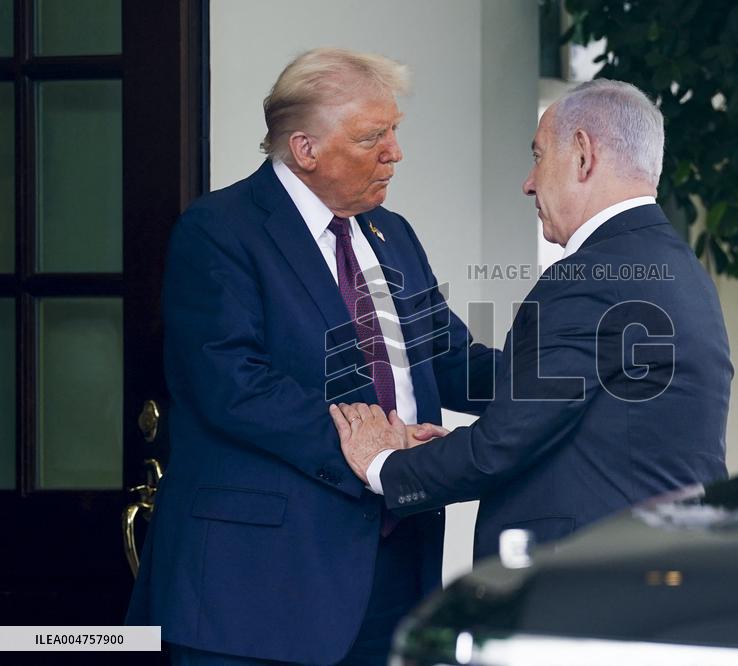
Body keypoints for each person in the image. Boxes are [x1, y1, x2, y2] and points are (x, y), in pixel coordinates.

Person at [126, 48, 498, 665]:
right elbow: (234, 386)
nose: (394, 152)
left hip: (395, 566)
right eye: (372, 136)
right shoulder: (218, 229)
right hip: (260, 588)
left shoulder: (392, 233)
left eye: (394, 132)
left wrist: (568, 375)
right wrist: (376, 451)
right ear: (305, 149)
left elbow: (451, 359)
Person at [333, 79, 733, 561]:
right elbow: (562, 416)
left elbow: (501, 446)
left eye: (539, 155)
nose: (528, 181)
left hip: (589, 581)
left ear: (583, 155)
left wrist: (383, 464)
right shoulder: (675, 266)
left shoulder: (591, 276)